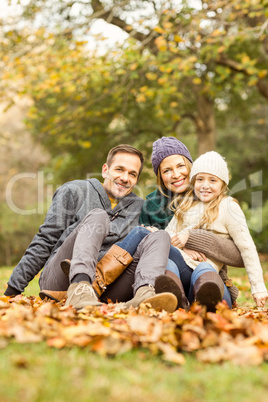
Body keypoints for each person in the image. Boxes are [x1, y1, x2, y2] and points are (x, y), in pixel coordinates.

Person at [4, 144, 177, 312]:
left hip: (106, 287)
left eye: (132, 174)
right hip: (61, 279)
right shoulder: (74, 191)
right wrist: (12, 291)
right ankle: (80, 288)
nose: (125, 177)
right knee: (98, 215)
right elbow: (45, 240)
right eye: (119, 169)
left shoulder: (139, 207)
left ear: (136, 180)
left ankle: (144, 296)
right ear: (105, 170)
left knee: (159, 236)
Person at [161, 151, 268, 310]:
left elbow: (247, 248)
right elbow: (169, 234)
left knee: (204, 269)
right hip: (184, 272)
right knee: (167, 262)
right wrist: (183, 246)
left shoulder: (228, 206)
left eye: (212, 180)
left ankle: (204, 300)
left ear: (223, 184)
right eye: (200, 179)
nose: (205, 185)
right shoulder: (186, 205)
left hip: (209, 277)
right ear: (193, 181)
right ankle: (176, 301)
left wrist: (258, 287)